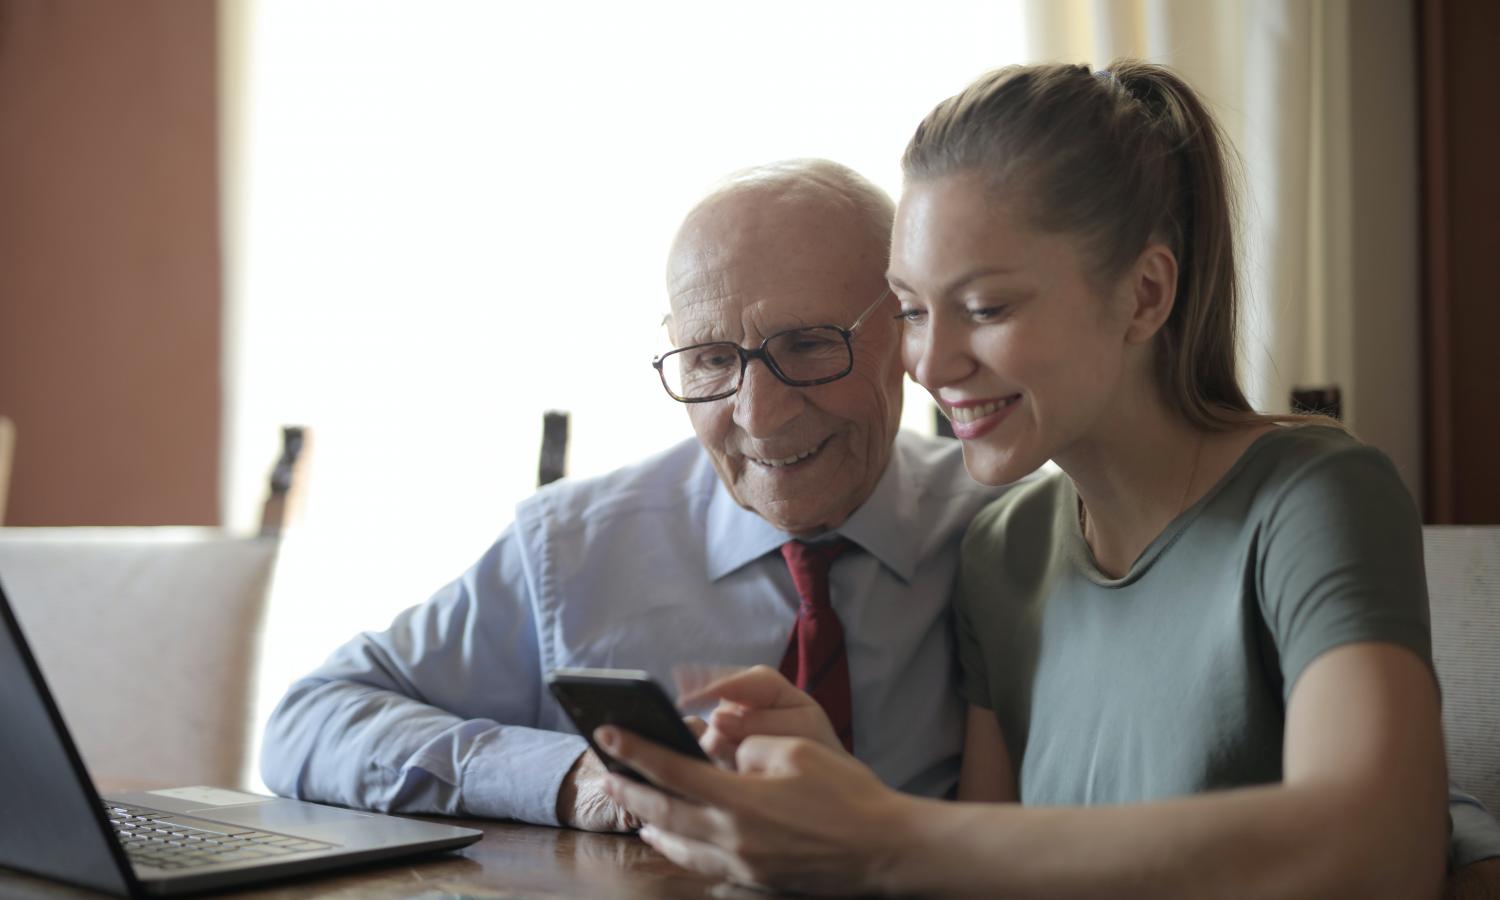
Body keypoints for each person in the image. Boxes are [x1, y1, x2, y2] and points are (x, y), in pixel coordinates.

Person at [601, 61, 1500, 898]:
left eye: (985, 308)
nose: (930, 362)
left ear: (1145, 295)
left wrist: (881, 831)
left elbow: (1383, 848)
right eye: (912, 311)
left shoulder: (1313, 497)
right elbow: (986, 870)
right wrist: (836, 793)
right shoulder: (1005, 545)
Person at [258, 159, 1007, 832]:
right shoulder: (573, 548)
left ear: (908, 331)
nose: (757, 414)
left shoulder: (1011, 536)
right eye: (712, 360)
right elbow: (309, 721)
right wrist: (570, 778)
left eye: (808, 346)